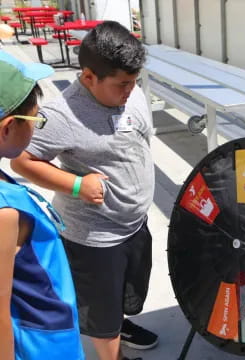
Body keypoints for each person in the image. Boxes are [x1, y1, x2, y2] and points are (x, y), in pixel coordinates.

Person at [11, 21, 157, 360]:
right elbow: (22, 160)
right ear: (89, 77)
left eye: (134, 82)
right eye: (123, 84)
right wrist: (77, 184)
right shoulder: (61, 115)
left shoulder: (131, 91)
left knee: (124, 295)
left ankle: (118, 329)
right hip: (95, 238)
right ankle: (112, 353)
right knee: (101, 308)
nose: (131, 91)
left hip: (134, 223)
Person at [0, 51, 84, 360]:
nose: (37, 126)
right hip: (41, 344)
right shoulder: (5, 212)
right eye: (36, 118)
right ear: (8, 127)